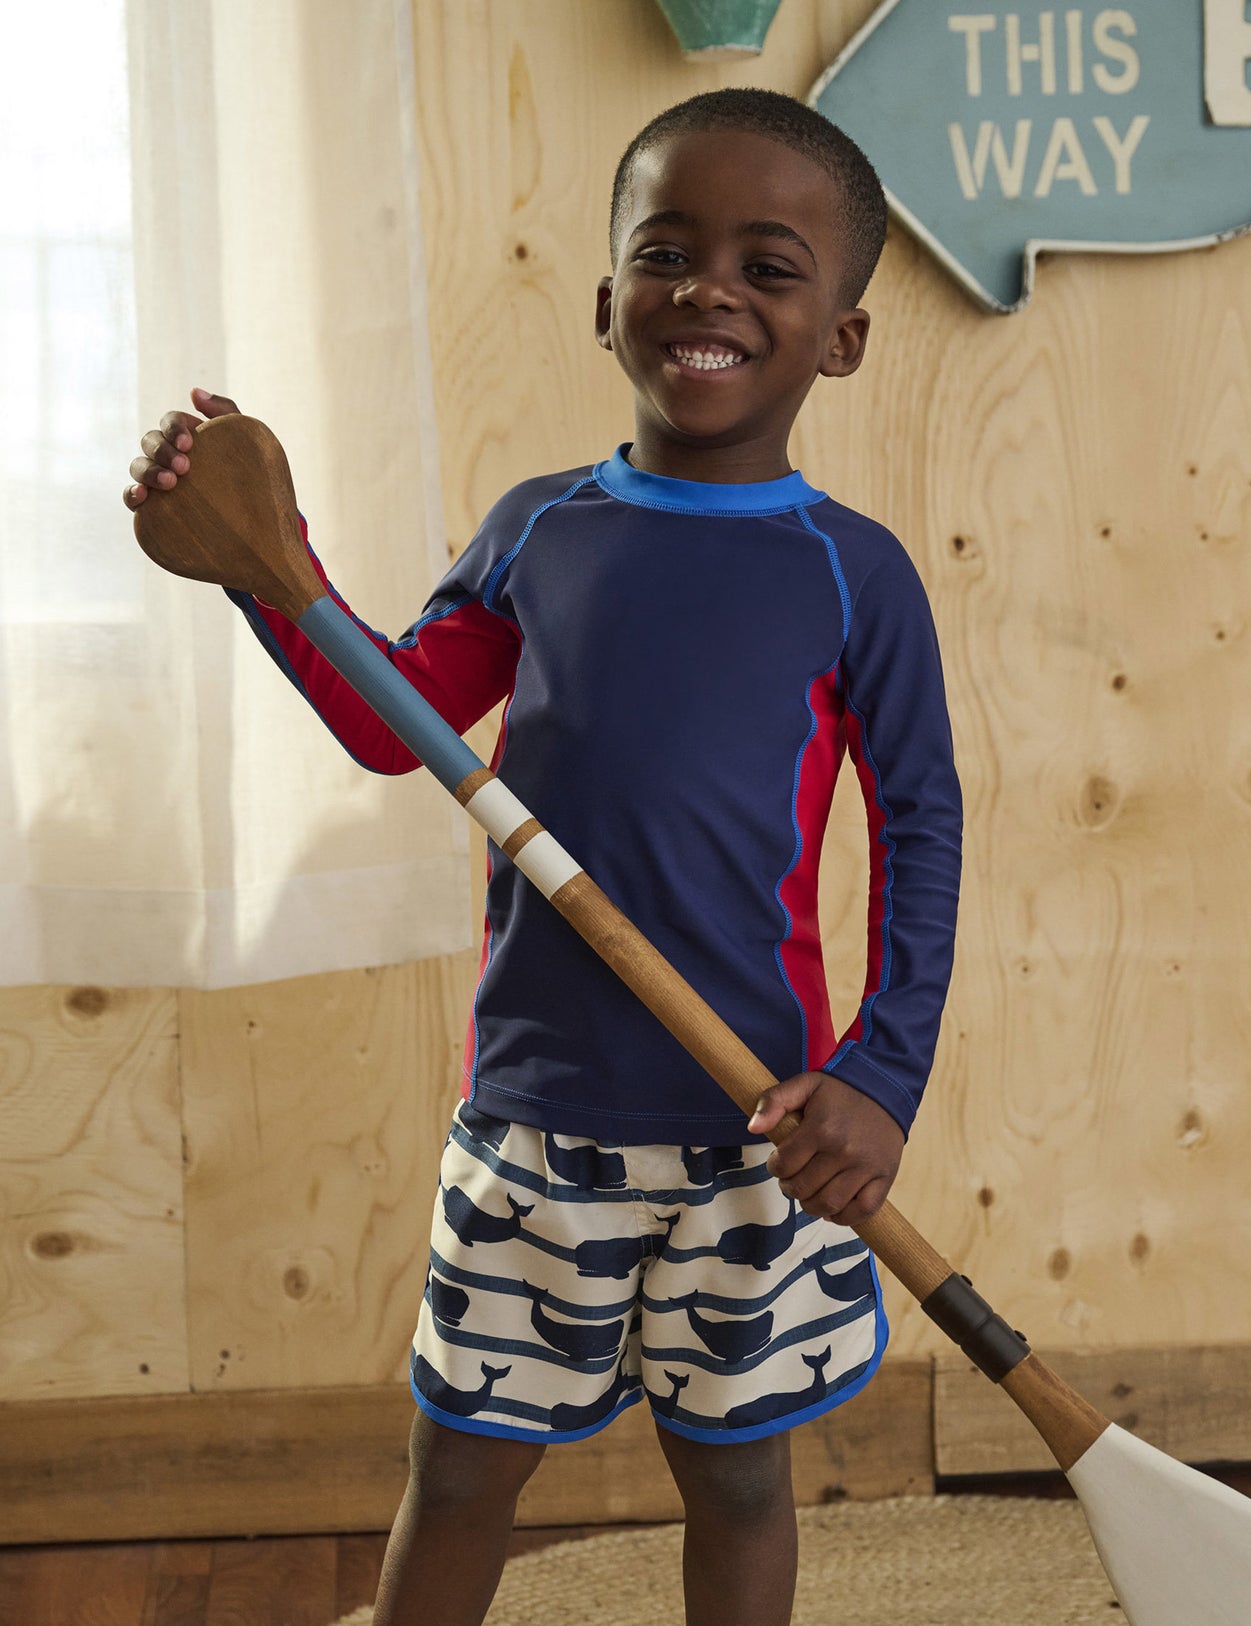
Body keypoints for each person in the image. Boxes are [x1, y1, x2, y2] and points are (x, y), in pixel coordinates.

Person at [125, 87, 963, 1626]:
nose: (707, 289)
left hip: (752, 1125)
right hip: (533, 1116)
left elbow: (921, 826)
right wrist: (269, 569)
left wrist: (882, 1073)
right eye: (667, 252)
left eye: (767, 267)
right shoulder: (541, 531)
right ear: (606, 300)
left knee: (736, 1482)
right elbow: (394, 724)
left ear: (839, 336)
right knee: (458, 1473)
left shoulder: (853, 574)